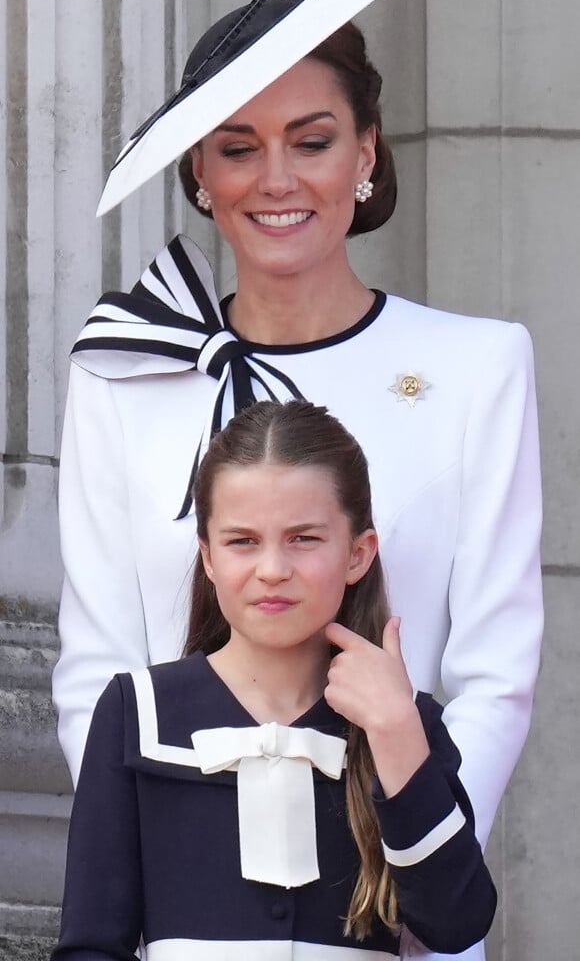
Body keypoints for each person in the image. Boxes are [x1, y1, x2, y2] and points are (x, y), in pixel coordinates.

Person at [52, 0, 542, 961]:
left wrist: (409, 880)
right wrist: (166, 887)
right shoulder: (121, 376)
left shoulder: (477, 366)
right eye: (238, 148)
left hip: (396, 912)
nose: (277, 179)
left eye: (311, 141)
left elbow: (494, 674)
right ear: (199, 174)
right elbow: (98, 668)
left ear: (364, 152)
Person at [52, 400, 497, 960]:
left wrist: (396, 736)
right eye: (242, 541)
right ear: (208, 557)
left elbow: (457, 924)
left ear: (358, 554)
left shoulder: (407, 720)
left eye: (304, 539)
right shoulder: (137, 711)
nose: (272, 569)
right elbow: (91, 946)